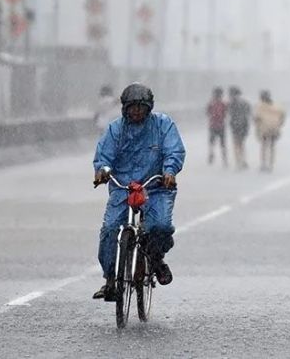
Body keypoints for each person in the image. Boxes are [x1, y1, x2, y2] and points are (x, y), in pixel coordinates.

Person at [92, 83, 185, 301]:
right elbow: (103, 156)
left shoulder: (163, 125)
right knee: (110, 229)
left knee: (160, 226)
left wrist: (169, 171)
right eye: (132, 107)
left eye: (141, 107)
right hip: (123, 188)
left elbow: (174, 150)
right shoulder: (116, 129)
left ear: (149, 107)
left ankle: (155, 258)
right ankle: (110, 280)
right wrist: (103, 171)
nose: (136, 112)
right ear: (124, 108)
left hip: (156, 187)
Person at [254, 90, 286, 172]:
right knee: (272, 147)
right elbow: (282, 116)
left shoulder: (259, 106)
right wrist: (279, 125)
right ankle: (270, 164)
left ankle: (263, 163)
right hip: (274, 129)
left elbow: (256, 119)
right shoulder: (277, 106)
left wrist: (257, 130)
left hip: (264, 129)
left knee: (264, 146)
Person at [228, 86, 251, 171]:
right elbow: (249, 113)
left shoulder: (232, 104)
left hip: (237, 126)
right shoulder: (245, 103)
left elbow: (230, 115)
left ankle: (239, 161)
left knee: (237, 144)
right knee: (241, 144)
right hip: (243, 126)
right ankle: (242, 160)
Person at [206, 87, 228, 167]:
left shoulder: (211, 103)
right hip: (221, 126)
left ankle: (211, 154)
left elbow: (207, 113)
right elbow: (225, 114)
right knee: (222, 144)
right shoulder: (223, 104)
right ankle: (224, 158)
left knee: (212, 142)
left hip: (213, 125)